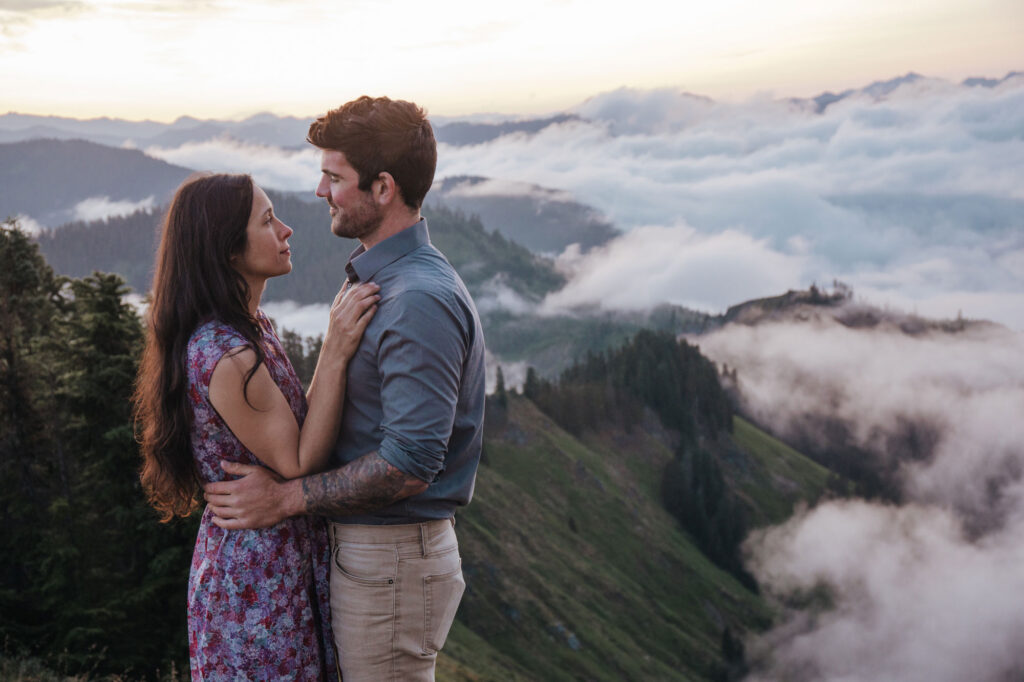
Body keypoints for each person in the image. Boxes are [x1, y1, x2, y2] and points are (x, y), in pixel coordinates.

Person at [203, 96, 487, 681]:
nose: (319, 192)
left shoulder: (416, 302)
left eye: (334, 178)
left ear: (383, 188)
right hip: (380, 559)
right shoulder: (383, 282)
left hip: (394, 560)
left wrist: (285, 500)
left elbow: (409, 463)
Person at [133, 172, 380, 680]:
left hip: (272, 561)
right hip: (256, 580)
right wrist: (334, 350)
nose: (286, 230)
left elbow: (292, 428)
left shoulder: (251, 328)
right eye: (268, 221)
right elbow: (298, 460)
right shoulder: (224, 354)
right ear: (228, 250)